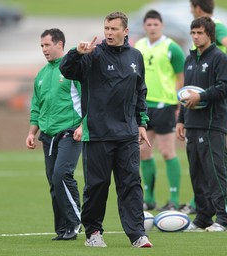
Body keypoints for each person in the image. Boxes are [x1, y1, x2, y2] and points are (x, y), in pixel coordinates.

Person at [59, 11, 153, 248]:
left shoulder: (136, 56)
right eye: (106, 28)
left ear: (125, 31)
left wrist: (141, 123)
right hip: (98, 134)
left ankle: (137, 234)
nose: (109, 33)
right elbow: (66, 70)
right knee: (97, 186)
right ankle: (93, 233)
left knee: (131, 184)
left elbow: (140, 91)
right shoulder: (93, 55)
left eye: (113, 29)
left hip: (128, 134)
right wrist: (76, 53)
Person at [180, 0, 227, 214]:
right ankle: (203, 218)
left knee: (215, 172)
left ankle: (224, 218)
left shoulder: (220, 59)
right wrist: (181, 119)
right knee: (196, 173)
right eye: (193, 33)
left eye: (199, 33)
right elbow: (186, 91)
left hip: (212, 123)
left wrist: (202, 96)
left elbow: (225, 87)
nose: (196, 36)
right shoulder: (189, 59)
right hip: (192, 123)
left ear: (210, 34)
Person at [25, 28, 83, 241]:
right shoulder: (41, 74)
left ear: (60, 44)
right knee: (53, 181)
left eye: (47, 45)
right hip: (47, 136)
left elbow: (87, 99)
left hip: (70, 132)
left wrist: (83, 126)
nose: (44, 50)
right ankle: (62, 228)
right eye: (41, 46)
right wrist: (32, 132)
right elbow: (36, 106)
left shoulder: (73, 69)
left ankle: (76, 221)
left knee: (61, 175)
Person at [134, 10, 185, 211]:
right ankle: (149, 198)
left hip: (165, 106)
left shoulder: (172, 48)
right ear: (145, 26)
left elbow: (180, 77)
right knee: (144, 152)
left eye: (156, 24)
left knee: (167, 151)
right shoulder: (138, 46)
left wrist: (178, 105)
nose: (152, 28)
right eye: (149, 25)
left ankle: (173, 197)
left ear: (161, 26)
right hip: (144, 107)